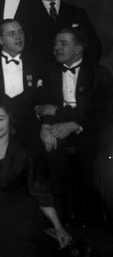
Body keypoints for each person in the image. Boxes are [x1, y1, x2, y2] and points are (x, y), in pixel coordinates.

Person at [0, 103, 89, 257]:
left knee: (18, 232)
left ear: (9, 119)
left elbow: (39, 191)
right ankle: (71, 249)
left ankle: (71, 247)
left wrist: (58, 226)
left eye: (1, 119)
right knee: (11, 235)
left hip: (11, 205)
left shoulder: (22, 151)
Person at [36, 28, 109, 223]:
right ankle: (62, 208)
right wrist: (46, 126)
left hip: (89, 125)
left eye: (63, 43)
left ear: (78, 49)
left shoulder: (99, 73)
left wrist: (77, 124)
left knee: (88, 151)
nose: (57, 48)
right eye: (55, 43)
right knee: (51, 148)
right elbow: (46, 104)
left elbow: (104, 112)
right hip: (60, 121)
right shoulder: (50, 71)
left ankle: (87, 209)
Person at [0, 19, 47, 146]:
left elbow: (45, 99)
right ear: (0, 40)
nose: (18, 37)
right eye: (12, 34)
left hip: (30, 131)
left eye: (20, 32)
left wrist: (46, 125)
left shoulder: (36, 63)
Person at [28, 0, 102, 65]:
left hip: (70, 70)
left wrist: (82, 69)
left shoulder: (77, 12)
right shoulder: (27, 11)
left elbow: (93, 45)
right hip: (38, 69)